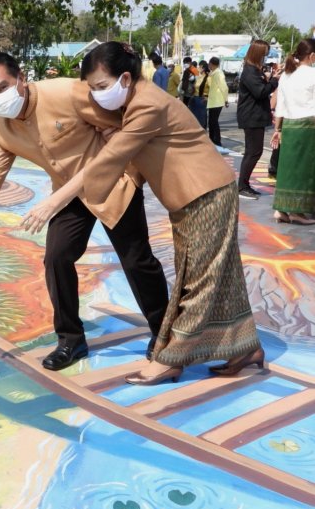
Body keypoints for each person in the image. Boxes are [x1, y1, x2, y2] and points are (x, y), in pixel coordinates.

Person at [21, 42, 263, 386]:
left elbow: (109, 159)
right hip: (187, 199)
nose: (95, 95)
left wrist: (52, 201)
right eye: (90, 88)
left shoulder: (146, 103)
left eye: (101, 87)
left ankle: (170, 359)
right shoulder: (134, 102)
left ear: (125, 78)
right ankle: (245, 348)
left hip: (207, 192)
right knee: (216, 275)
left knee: (199, 281)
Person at [0, 52, 168, 372]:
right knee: (56, 258)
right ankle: (71, 339)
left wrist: (120, 143)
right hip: (67, 195)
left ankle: (164, 332)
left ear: (21, 78)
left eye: (2, 88)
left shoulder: (66, 92)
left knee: (136, 260)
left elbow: (122, 123)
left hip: (113, 182)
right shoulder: (1, 129)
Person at [270, 38, 315, 225]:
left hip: (288, 126)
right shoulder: (312, 74)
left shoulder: (287, 75)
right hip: (308, 127)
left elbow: (280, 105)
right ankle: (299, 212)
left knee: (287, 168)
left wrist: (277, 129)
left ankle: (281, 209)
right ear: (312, 56)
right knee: (305, 169)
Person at [237, 39, 281, 200]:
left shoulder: (254, 70)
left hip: (255, 115)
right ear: (257, 54)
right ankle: (242, 186)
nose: (265, 58)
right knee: (253, 151)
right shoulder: (249, 71)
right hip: (251, 116)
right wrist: (275, 81)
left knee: (253, 151)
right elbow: (260, 92)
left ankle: (244, 184)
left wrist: (270, 78)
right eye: (264, 55)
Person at [207, 57, 229, 148]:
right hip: (213, 101)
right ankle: (212, 139)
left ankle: (217, 141)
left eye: (209, 64)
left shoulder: (219, 73)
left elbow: (224, 87)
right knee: (211, 121)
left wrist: (226, 99)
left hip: (217, 101)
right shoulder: (214, 73)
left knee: (214, 121)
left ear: (211, 64)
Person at [188, 60, 210, 128]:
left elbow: (212, 89)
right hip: (194, 99)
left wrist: (207, 98)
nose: (198, 68)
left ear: (203, 68)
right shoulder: (198, 77)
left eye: (199, 67)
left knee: (201, 119)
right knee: (194, 119)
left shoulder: (208, 78)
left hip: (202, 100)